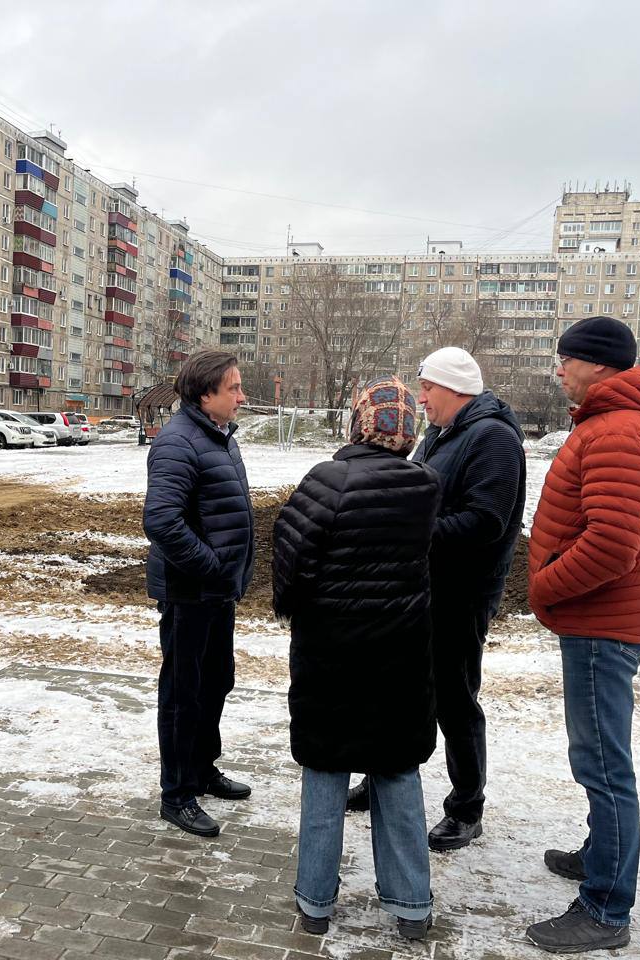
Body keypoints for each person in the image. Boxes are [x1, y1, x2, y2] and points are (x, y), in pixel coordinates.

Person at [273, 376, 442, 941]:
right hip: (400, 653)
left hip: (333, 655)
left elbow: (291, 556)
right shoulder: (425, 484)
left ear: (358, 422)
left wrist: (294, 606)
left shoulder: (329, 480)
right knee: (397, 770)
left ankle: (316, 901)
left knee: (325, 771)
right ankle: (413, 906)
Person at [346, 348, 526, 857]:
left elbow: (485, 523)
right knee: (398, 691)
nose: (419, 398)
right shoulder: (442, 433)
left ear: (455, 388)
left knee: (454, 700)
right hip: (421, 589)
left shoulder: (492, 438)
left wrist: (407, 532)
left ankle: (466, 808)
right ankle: (379, 780)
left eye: (427, 388)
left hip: (460, 595)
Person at [525, 316, 640, 953]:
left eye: (565, 359)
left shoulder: (616, 431)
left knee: (604, 764)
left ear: (597, 364)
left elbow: (611, 544)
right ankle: (598, 855)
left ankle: (606, 909)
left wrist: (544, 584)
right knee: (600, 757)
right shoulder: (614, 423)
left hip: (601, 622)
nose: (559, 370)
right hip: (603, 617)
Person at [144, 350, 255, 838]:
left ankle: (203, 770)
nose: (242, 395)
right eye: (234, 388)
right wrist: (211, 567)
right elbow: (162, 521)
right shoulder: (177, 443)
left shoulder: (218, 436)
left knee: (216, 682)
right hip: (190, 592)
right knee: (182, 694)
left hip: (217, 593)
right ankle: (177, 793)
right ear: (205, 392)